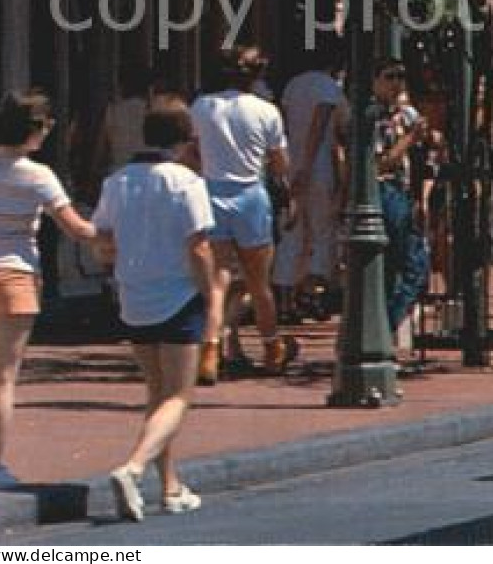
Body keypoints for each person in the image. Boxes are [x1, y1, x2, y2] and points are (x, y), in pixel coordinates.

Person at [94, 104, 216, 521]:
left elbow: (102, 241)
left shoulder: (117, 183)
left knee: (157, 394)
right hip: (178, 297)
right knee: (179, 395)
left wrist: (127, 262)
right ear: (185, 140)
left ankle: (169, 487)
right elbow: (198, 247)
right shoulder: (186, 183)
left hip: (135, 298)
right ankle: (133, 468)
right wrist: (209, 294)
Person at [0, 92, 99, 489]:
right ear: (36, 129)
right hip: (15, 278)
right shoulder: (38, 175)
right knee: (3, 377)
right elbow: (77, 229)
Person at [190, 46, 293, 383]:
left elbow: (192, 153)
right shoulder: (266, 111)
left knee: (217, 279)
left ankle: (210, 350)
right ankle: (271, 346)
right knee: (259, 282)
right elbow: (280, 164)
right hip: (250, 194)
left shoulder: (202, 107)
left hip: (212, 193)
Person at [273, 45, 346, 322]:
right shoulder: (328, 87)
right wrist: (307, 162)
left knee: (293, 229)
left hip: (292, 160)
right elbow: (321, 123)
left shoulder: (293, 86)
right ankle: (312, 293)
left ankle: (286, 297)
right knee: (321, 229)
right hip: (318, 166)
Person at [364, 59, 431, 337]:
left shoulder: (407, 114)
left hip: (404, 191)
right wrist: (410, 139)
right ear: (376, 81)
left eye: (401, 77)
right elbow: (381, 163)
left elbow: (426, 157)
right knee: (410, 265)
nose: (396, 83)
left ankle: (386, 326)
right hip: (384, 190)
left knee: (409, 267)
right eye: (389, 77)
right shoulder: (372, 116)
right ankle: (383, 328)